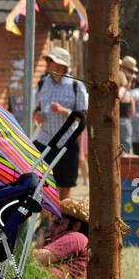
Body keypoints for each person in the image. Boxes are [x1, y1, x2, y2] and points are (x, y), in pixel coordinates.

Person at [32, 47, 86, 199]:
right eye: (47, 60)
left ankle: (61, 219)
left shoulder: (76, 86)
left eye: (51, 60)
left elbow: (82, 118)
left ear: (61, 66)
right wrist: (37, 115)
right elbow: (36, 108)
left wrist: (64, 111)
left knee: (65, 185)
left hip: (67, 143)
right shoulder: (42, 84)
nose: (47, 63)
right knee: (41, 183)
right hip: (44, 140)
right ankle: (44, 219)